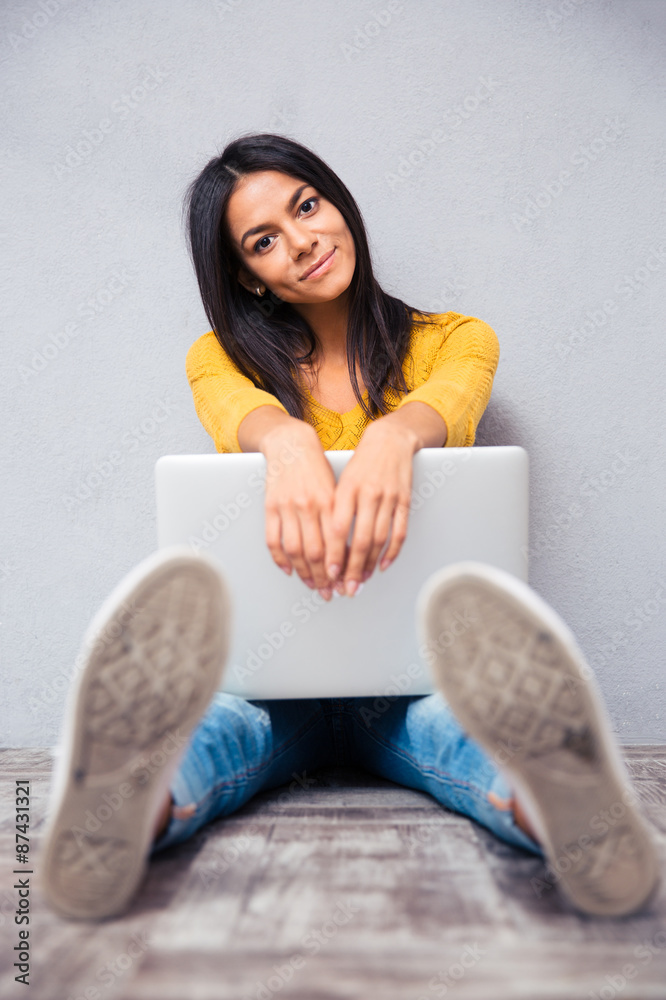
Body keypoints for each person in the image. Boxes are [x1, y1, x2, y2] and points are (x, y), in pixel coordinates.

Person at [42, 134, 660, 922]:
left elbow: (452, 402)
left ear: (337, 202)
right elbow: (233, 411)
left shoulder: (457, 338)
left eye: (307, 206)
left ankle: (568, 812)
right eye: (264, 241)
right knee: (218, 725)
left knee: (460, 724)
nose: (301, 242)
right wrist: (288, 438)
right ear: (246, 276)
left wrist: (394, 434)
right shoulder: (217, 358)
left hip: (410, 675)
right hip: (275, 683)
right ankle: (119, 806)